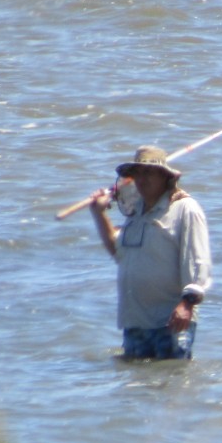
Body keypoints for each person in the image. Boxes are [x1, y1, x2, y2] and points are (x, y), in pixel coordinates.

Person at [88, 146, 212, 360]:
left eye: (149, 172)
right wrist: (98, 214)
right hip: (135, 323)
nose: (142, 179)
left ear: (165, 176)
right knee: (139, 389)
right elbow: (120, 254)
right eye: (138, 174)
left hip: (171, 322)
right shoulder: (136, 214)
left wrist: (187, 304)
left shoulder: (185, 208)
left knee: (171, 386)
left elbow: (198, 261)